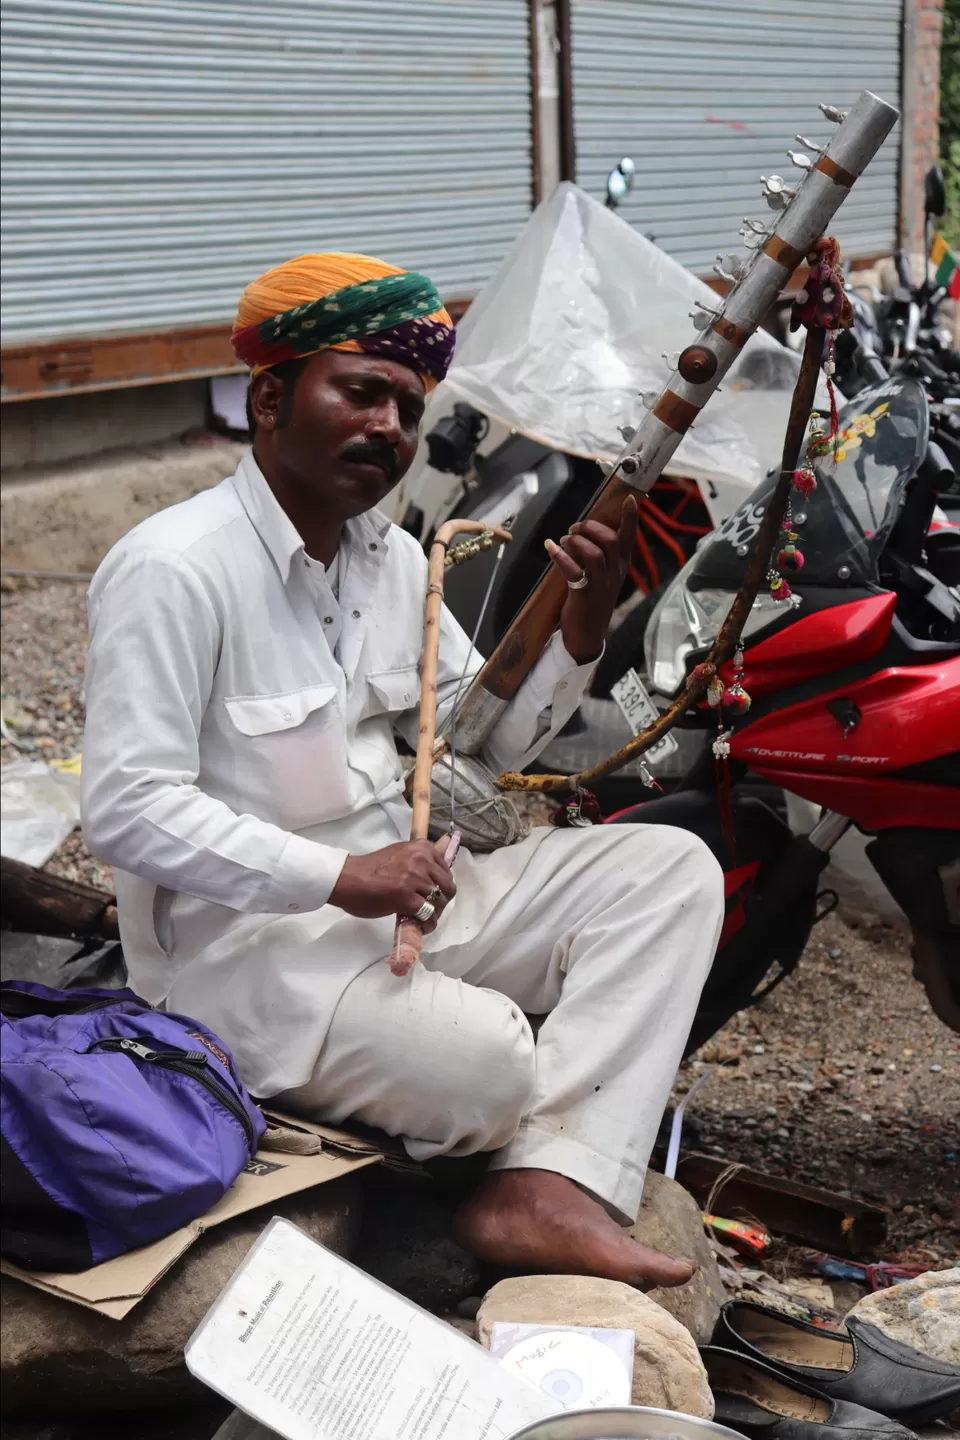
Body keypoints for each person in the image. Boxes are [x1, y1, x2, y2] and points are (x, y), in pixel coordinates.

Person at [82, 252, 725, 1288]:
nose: (388, 425)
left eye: (408, 406)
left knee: (672, 872)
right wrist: (338, 877)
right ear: (269, 398)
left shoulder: (394, 564)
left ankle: (540, 1188)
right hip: (258, 962)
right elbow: (126, 807)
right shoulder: (173, 568)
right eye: (362, 391)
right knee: (491, 1063)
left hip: (413, 907)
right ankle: (507, 1119)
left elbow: (481, 753)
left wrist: (580, 633)